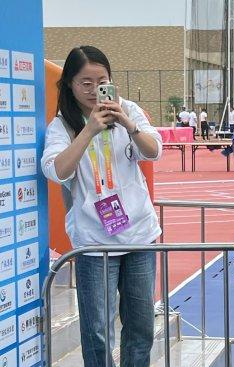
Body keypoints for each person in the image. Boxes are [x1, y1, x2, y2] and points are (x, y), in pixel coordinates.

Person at [41, 45, 162, 367]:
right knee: (96, 330)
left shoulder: (129, 111)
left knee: (140, 325)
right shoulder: (62, 125)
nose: (95, 91)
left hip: (138, 235)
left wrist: (128, 124)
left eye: (102, 81)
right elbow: (56, 170)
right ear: (69, 83)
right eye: (85, 83)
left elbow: (153, 151)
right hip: (94, 243)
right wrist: (89, 129)